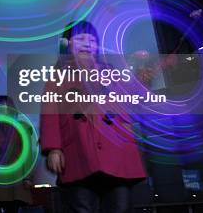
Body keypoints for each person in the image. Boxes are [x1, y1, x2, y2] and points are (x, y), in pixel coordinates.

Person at [40, 21, 146, 213]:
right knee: (82, 207)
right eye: (80, 39)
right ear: (67, 44)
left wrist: (140, 68)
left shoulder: (110, 72)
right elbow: (50, 113)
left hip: (116, 152)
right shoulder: (57, 76)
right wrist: (53, 149)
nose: (88, 44)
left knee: (119, 207)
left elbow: (128, 100)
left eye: (92, 40)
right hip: (77, 152)